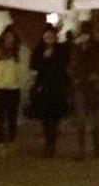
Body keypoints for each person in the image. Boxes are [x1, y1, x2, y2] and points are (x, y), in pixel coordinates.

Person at [70, 17, 99, 160]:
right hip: (80, 86)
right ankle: (81, 150)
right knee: (81, 120)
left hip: (94, 86)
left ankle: (96, 148)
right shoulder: (76, 47)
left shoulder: (97, 46)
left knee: (95, 120)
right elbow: (72, 64)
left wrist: (97, 75)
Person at [27, 28, 72, 158]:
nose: (48, 39)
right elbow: (34, 66)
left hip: (57, 87)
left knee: (54, 117)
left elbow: (63, 65)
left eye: (51, 37)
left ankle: (51, 143)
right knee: (46, 118)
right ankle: (48, 143)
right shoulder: (39, 50)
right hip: (43, 88)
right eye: (46, 37)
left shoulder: (61, 49)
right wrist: (44, 58)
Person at [0, 28, 25, 153]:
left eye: (11, 37)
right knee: (0, 117)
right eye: (7, 37)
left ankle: (11, 140)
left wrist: (21, 83)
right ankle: (1, 143)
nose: (9, 40)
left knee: (12, 116)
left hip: (13, 88)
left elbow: (20, 70)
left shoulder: (17, 53)